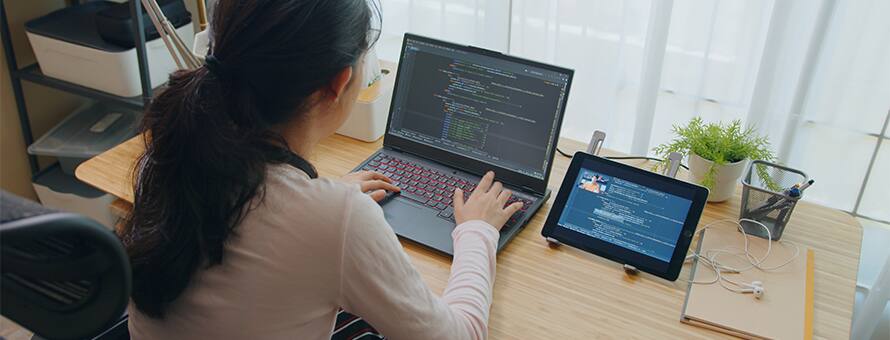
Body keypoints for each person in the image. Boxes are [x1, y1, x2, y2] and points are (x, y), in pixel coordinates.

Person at [121, 1, 522, 339]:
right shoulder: (334, 218)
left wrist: (318, 193)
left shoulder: (175, 149)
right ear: (340, 82)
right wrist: (478, 231)